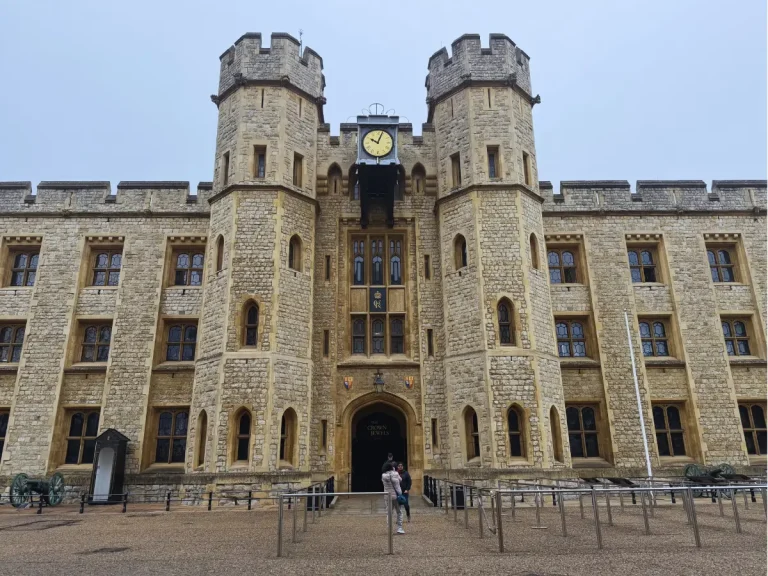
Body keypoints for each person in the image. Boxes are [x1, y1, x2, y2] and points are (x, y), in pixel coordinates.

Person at [381, 461, 404, 534]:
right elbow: (401, 480)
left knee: (389, 513)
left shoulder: (383, 476)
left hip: (388, 496)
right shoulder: (396, 474)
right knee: (399, 512)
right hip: (397, 496)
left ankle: (390, 529)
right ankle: (399, 528)